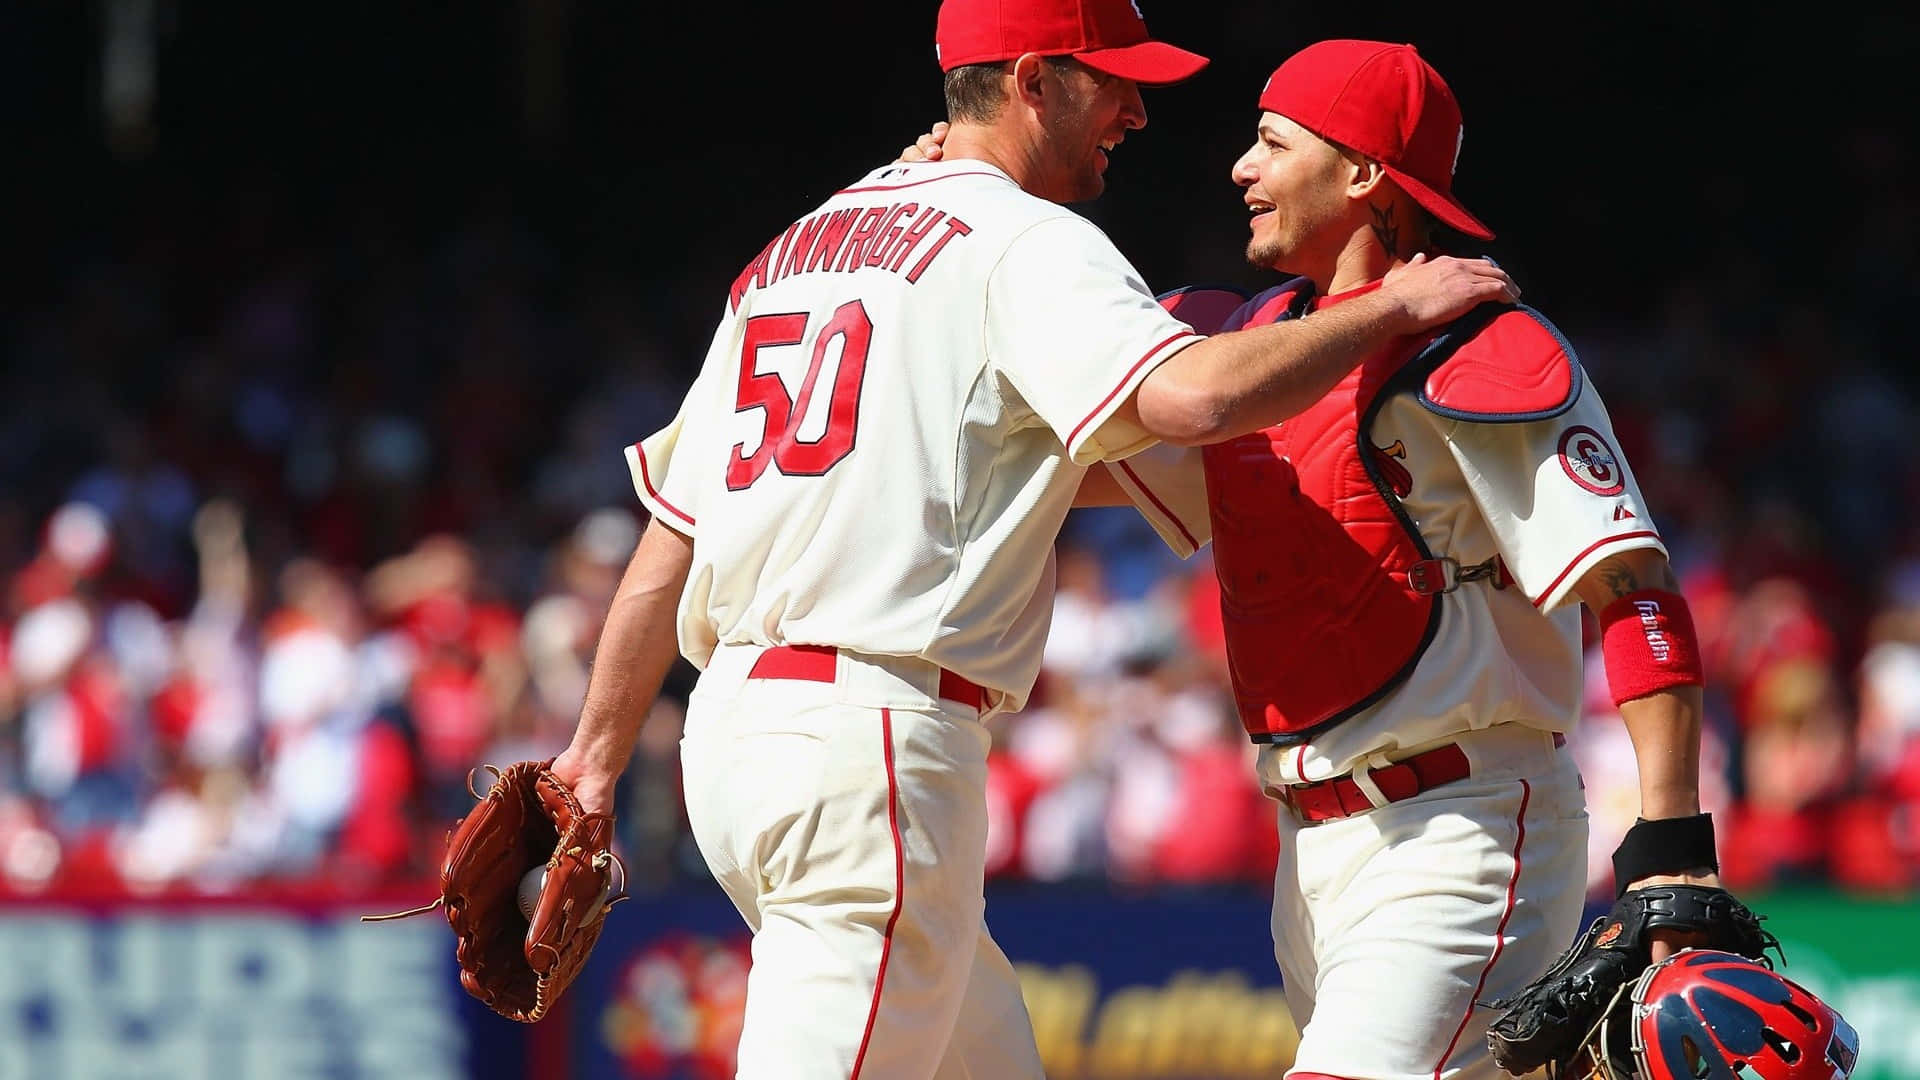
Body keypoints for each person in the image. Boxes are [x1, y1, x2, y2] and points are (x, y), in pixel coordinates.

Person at [545, 4, 1518, 1078]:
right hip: (868, 740)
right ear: (1034, 80)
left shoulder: (793, 251)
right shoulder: (1028, 241)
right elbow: (1191, 400)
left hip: (738, 741)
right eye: (1114, 80)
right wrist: (1387, 309)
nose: (1138, 110)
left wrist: (593, 754)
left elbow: (673, 536)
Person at [909, 37, 1737, 1080]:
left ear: (1361, 173)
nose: (1239, 169)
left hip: (1461, 827)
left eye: (1269, 142)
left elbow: (1633, 587)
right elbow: (1030, 459)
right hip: (1306, 851)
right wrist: (946, 219)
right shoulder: (1238, 349)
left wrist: (1671, 846)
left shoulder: (1478, 346)